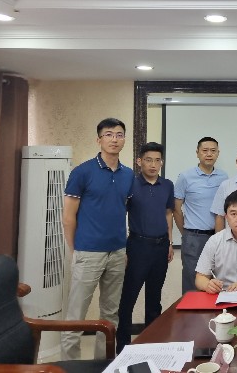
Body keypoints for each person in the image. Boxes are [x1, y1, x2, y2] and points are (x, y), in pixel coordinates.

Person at [61, 118, 134, 360]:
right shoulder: (82, 172)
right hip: (88, 252)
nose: (114, 139)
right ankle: (68, 365)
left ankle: (103, 364)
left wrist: (123, 249)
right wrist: (75, 250)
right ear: (99, 139)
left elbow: (121, 211)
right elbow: (68, 217)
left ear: (124, 139)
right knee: (76, 316)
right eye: (109, 134)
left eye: (119, 134)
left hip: (117, 253)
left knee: (110, 315)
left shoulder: (128, 175)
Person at [116, 142, 176, 353]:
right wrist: (123, 248)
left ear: (162, 162)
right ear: (139, 161)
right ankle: (123, 347)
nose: (153, 165)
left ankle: (152, 345)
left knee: (154, 299)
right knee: (128, 299)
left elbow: (168, 213)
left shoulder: (167, 185)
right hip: (137, 246)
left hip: (161, 247)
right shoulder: (130, 184)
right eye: (148, 160)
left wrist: (170, 243)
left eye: (157, 160)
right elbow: (120, 215)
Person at [174, 137, 228, 294]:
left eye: (213, 151)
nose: (209, 154)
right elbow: (176, 209)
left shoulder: (223, 177)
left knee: (216, 282)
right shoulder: (185, 177)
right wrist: (186, 232)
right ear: (197, 153)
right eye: (205, 150)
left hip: (218, 236)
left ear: (218, 153)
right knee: (192, 281)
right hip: (194, 237)